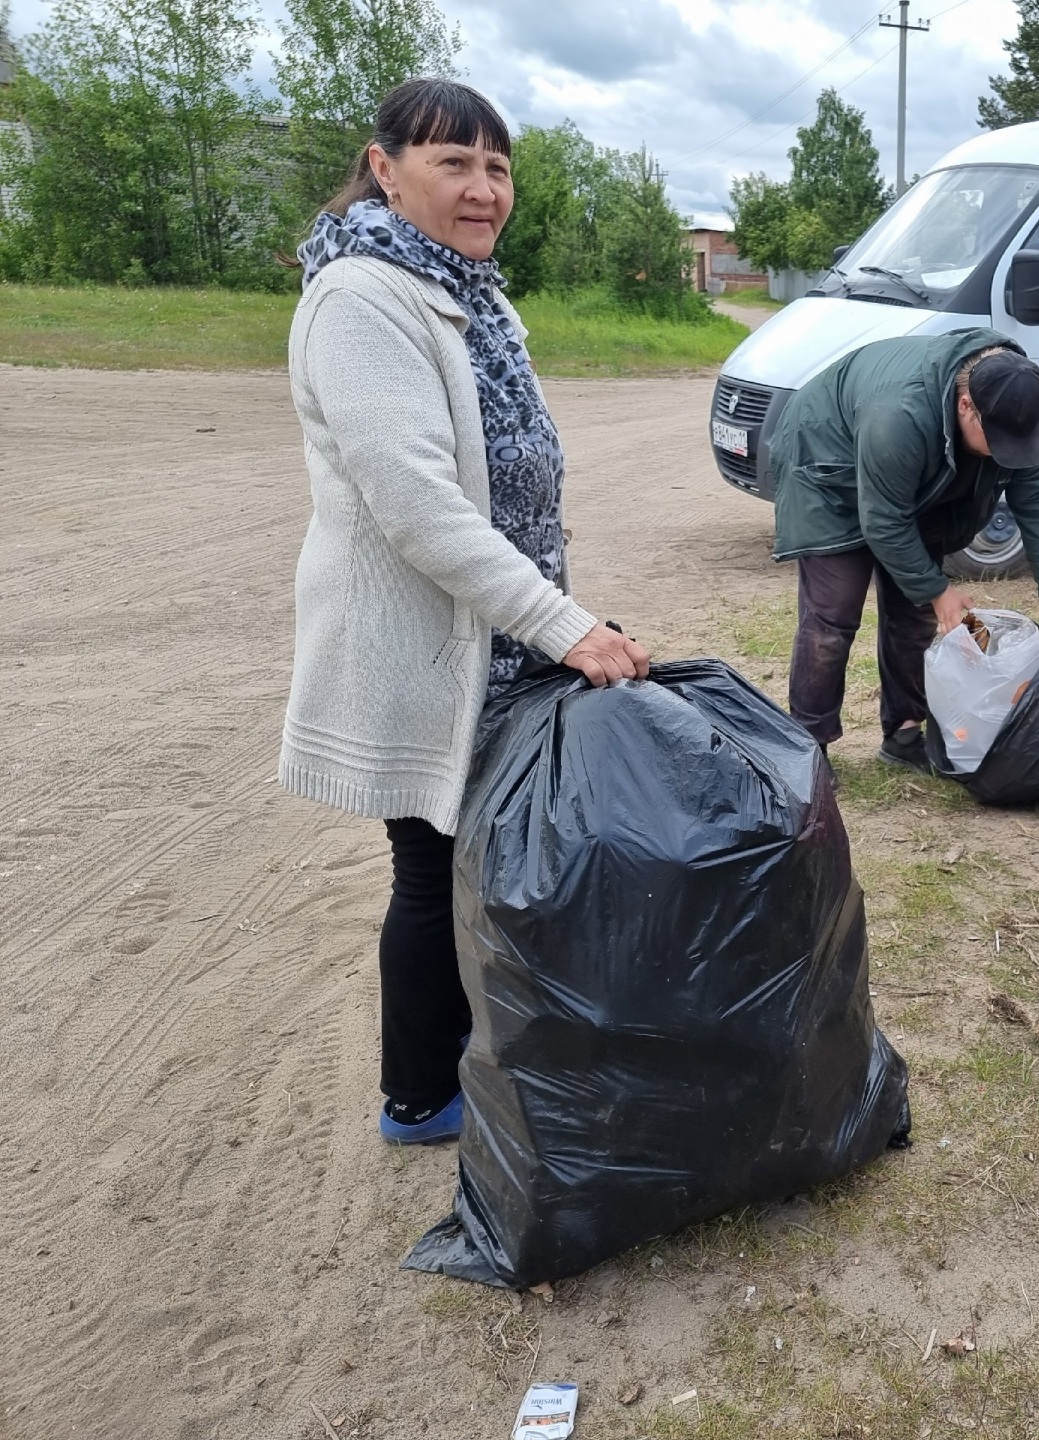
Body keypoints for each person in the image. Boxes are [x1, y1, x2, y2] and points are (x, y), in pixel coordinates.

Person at [278, 79, 651, 1146]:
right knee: (432, 870)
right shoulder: (360, 298)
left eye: (497, 166)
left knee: (492, 859)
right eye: (454, 163)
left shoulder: (471, 291)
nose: (483, 190)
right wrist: (567, 628)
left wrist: (553, 614)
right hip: (431, 652)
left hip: (505, 639)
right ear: (385, 167)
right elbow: (418, 508)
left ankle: (499, 1051)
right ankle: (420, 1099)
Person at [767, 332, 1039, 771]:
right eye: (997, 440)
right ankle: (807, 748)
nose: (1005, 452)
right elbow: (884, 521)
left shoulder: (1017, 404)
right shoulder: (897, 415)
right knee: (832, 619)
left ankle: (904, 733)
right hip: (829, 467)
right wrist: (938, 590)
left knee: (913, 617)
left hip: (919, 476)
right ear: (966, 404)